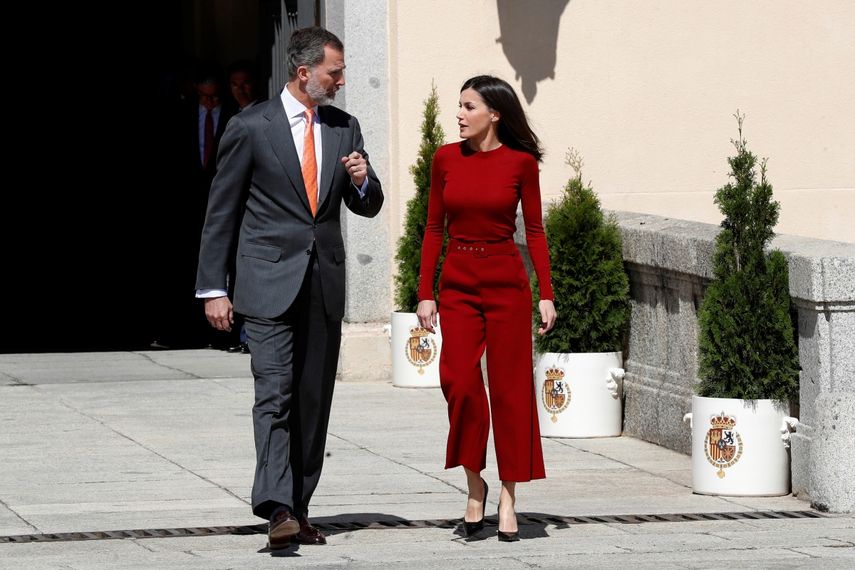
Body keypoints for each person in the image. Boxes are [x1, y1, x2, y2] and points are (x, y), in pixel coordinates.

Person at [195, 27, 383, 550]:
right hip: (266, 285)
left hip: (323, 284)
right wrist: (213, 287)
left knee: (311, 400)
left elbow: (367, 204)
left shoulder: (346, 128)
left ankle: (299, 507)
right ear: (305, 74)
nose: (342, 81)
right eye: (335, 73)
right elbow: (222, 212)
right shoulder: (251, 126)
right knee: (273, 393)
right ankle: (276, 505)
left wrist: (364, 180)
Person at [416, 75, 557, 542]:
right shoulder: (445, 159)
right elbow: (434, 227)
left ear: (494, 114)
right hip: (457, 281)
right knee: (458, 380)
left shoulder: (521, 163)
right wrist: (425, 291)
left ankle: (508, 497)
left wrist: (545, 293)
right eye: (459, 105)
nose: (459, 113)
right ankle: (474, 479)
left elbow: (534, 231)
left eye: (468, 106)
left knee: (511, 390)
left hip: (505, 284)